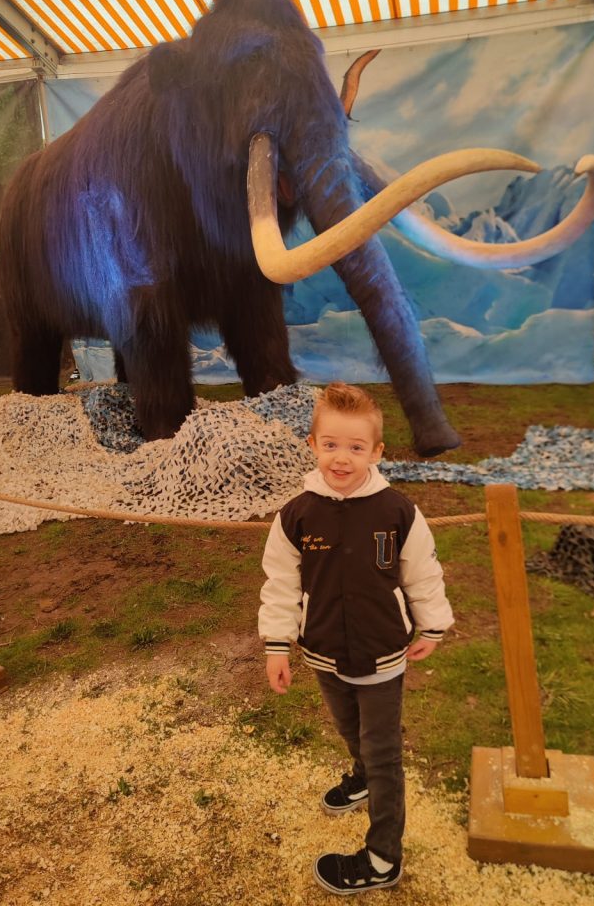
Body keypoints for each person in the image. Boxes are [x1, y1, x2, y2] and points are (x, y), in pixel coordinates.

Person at [258, 382, 454, 895]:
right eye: (330, 445)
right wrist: (277, 644)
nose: (341, 458)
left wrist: (432, 623)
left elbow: (422, 574)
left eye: (355, 447)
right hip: (322, 650)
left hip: (384, 652)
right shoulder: (295, 515)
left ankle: (384, 857)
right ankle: (361, 775)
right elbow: (280, 584)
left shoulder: (399, 512)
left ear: (377, 452)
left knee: (384, 749)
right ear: (312, 444)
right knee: (350, 729)